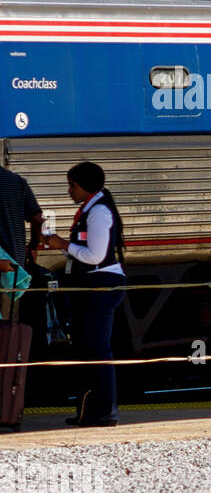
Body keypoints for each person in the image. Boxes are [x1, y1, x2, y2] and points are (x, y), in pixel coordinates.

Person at [44, 162, 126, 427]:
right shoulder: (91, 209)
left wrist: (63, 244)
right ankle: (89, 410)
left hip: (100, 286)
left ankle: (104, 411)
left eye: (72, 185)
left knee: (97, 348)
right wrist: (63, 247)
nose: (69, 191)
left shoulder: (99, 212)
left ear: (85, 186)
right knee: (85, 346)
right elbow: (84, 252)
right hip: (90, 285)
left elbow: (95, 256)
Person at [0, 164, 44, 318]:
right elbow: (39, 219)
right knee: (7, 332)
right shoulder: (17, 181)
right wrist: (32, 245)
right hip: (13, 271)